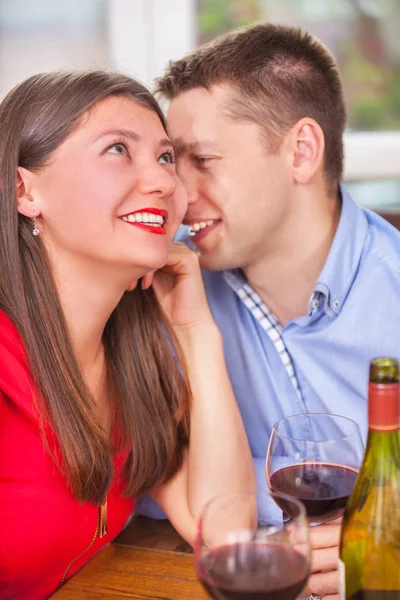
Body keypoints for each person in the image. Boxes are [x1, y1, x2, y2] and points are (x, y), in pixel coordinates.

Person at [152, 23, 400, 599]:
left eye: (203, 159)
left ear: (301, 151)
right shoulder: (168, 288)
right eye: (171, 160)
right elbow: (144, 478)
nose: (177, 193)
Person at [0, 70, 254, 600]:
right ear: (25, 190)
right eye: (118, 149)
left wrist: (197, 331)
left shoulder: (132, 356)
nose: (164, 182)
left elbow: (226, 536)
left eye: (165, 158)